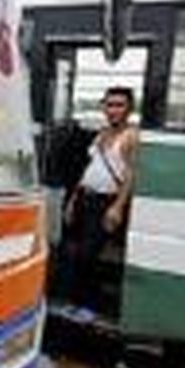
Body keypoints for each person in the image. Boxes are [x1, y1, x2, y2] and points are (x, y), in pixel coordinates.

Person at [60, 86, 140, 313]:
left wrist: (117, 207)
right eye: (109, 104)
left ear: (129, 109)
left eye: (119, 105)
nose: (113, 110)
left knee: (89, 255)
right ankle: (76, 301)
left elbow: (131, 175)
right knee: (76, 252)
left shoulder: (131, 136)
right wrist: (73, 200)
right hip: (86, 197)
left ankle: (90, 305)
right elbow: (90, 169)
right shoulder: (102, 133)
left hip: (106, 202)